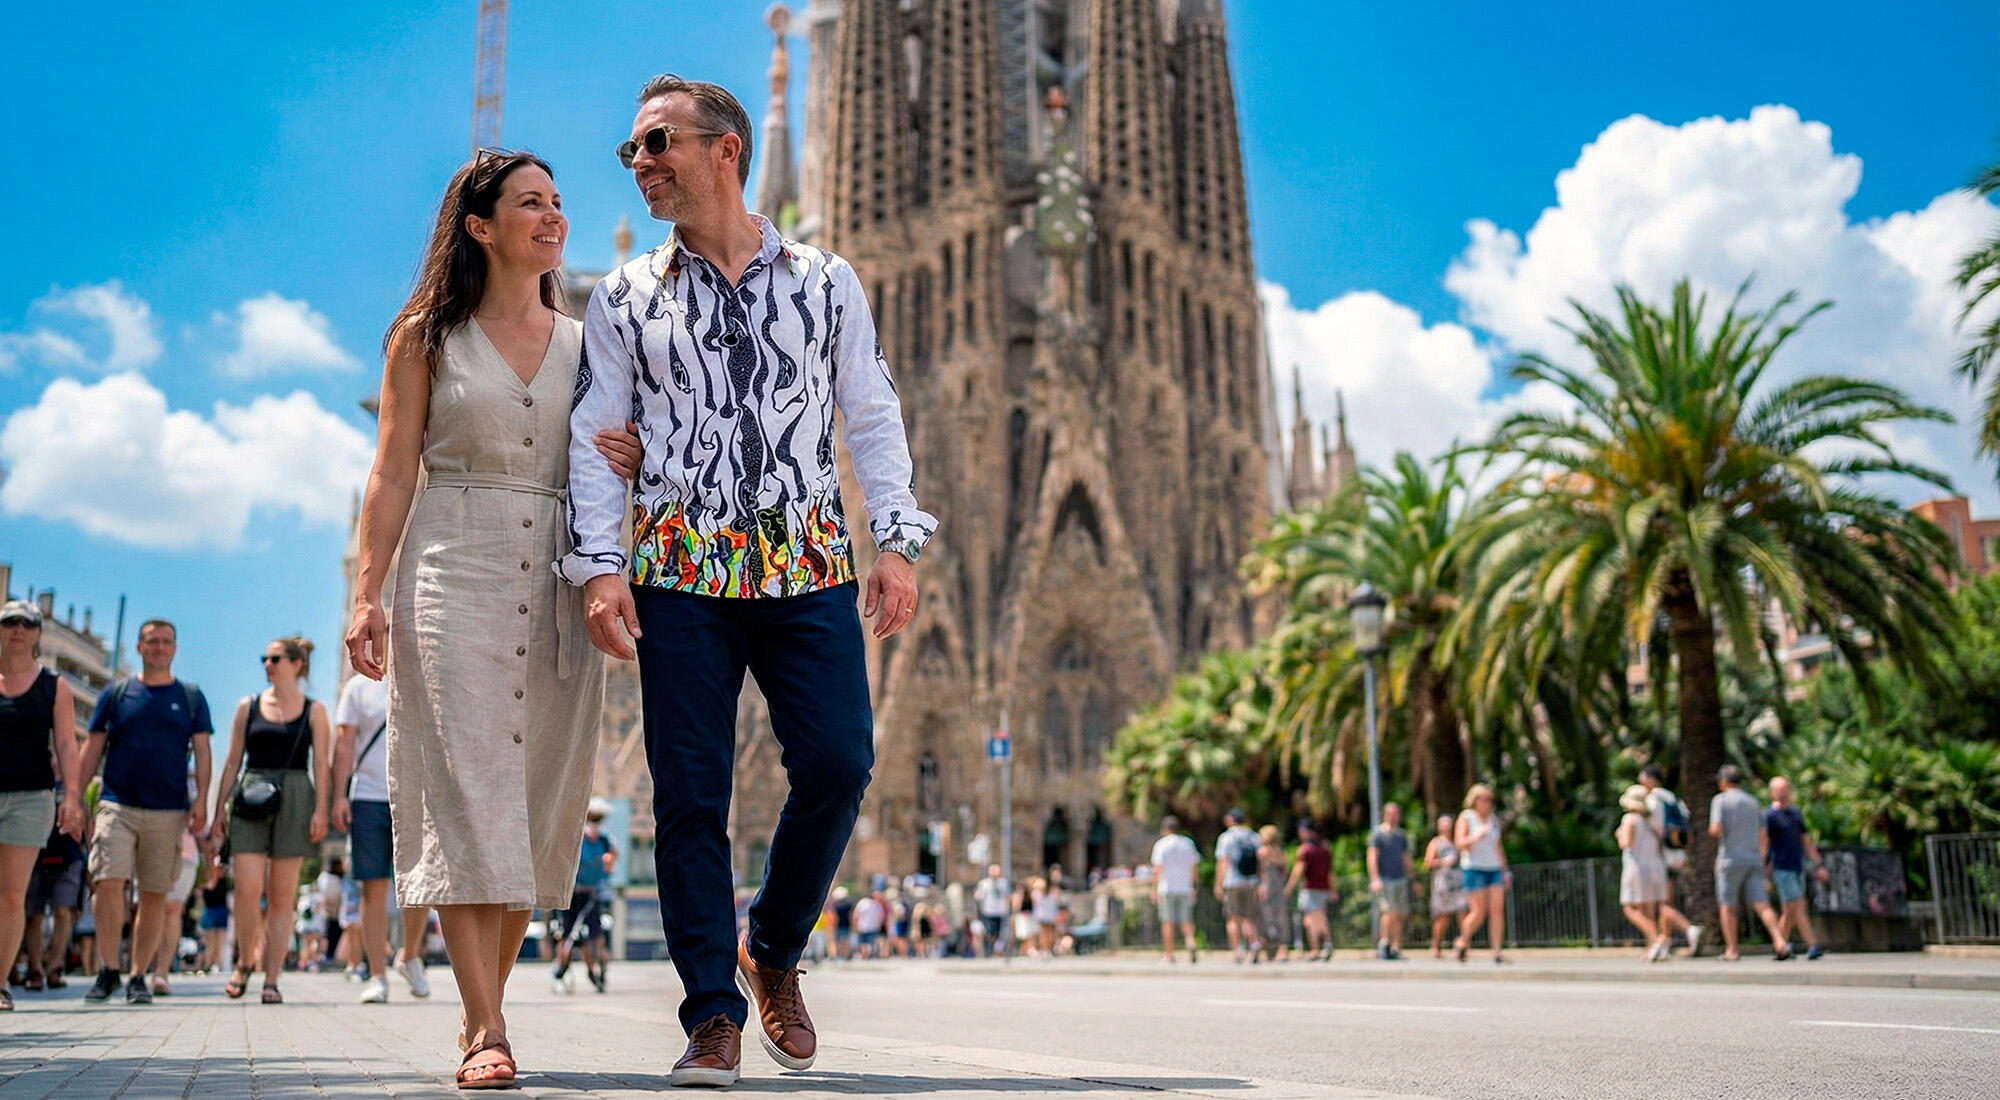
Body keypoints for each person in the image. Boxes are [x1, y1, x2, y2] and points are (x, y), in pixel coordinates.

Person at [562, 73, 936, 1089]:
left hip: (804, 561)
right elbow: (596, 439)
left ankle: (770, 945)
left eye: (656, 144)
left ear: (724, 150)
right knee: (690, 795)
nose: (638, 163)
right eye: (632, 151)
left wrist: (895, 542)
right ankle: (711, 1016)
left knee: (840, 763)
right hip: (681, 570)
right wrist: (600, 568)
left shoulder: (824, 281)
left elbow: (871, 413)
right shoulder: (625, 297)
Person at [345, 146, 646, 1088]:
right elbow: (393, 471)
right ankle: (486, 1026)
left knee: (533, 800)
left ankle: (488, 1005)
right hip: (453, 564)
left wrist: (636, 458)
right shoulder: (424, 337)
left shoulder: (590, 342)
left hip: (557, 571)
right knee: (466, 793)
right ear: (480, 227)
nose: (553, 216)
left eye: (557, 201)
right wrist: (366, 593)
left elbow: (619, 454)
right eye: (530, 203)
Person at [77, 618, 213, 1005]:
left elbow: (202, 751)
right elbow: (92, 747)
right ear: (139, 647)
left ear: (175, 648)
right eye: (152, 641)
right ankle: (108, 970)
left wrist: (202, 800)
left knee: (154, 893)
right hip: (116, 803)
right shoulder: (116, 693)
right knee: (107, 882)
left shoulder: (190, 697)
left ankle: (138, 976)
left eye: (166, 641)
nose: (159, 647)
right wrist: (74, 795)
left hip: (168, 810)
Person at [212, 635, 332, 1004]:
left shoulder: (315, 711)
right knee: (247, 889)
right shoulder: (247, 706)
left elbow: (321, 765)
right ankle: (244, 961)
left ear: (297, 664)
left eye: (275, 658)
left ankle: (272, 979)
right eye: (264, 658)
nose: (268, 664)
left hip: (296, 795)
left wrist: (321, 810)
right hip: (251, 793)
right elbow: (232, 761)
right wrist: (218, 810)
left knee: (282, 896)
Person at [0, 599, 86, 1011]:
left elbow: (67, 744)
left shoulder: (54, 686)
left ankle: (0, 983)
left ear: (37, 633)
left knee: (11, 895)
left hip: (31, 799)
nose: (18, 629)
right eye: (9, 622)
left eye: (27, 623)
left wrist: (73, 797)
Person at [329, 671, 432, 1005]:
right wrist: (339, 796)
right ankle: (376, 975)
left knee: (419, 884)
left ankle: (409, 956)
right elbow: (344, 744)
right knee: (372, 887)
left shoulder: (424, 675)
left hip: (417, 794)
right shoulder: (358, 688)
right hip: (368, 796)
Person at [1709, 765, 1790, 961]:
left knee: (1728, 906)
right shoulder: (1753, 802)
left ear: (1723, 782)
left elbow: (1716, 829)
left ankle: (1732, 950)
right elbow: (1763, 832)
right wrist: (1761, 856)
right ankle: (1780, 941)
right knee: (1762, 904)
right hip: (1753, 859)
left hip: (1730, 859)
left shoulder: (1720, 800)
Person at [1618, 784, 1697, 962]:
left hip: (1636, 866)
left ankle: (1656, 938)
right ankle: (1652, 947)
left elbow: (1626, 844)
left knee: (1630, 908)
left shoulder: (1630, 819)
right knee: (1650, 910)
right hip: (1656, 867)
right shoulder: (1653, 821)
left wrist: (1620, 834)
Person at [553, 806, 617, 993]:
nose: (594, 828)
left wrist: (604, 877)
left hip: (592, 894)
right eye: (591, 823)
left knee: (595, 935)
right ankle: (561, 969)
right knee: (567, 934)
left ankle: (597, 970)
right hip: (572, 894)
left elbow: (609, 864)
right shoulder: (577, 841)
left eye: (597, 824)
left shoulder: (605, 841)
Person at [1766, 777, 1828, 960]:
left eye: (1785, 789)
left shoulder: (1795, 813)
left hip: (1797, 866)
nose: (1783, 793)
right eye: (1779, 790)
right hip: (1782, 867)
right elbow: (1764, 843)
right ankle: (1813, 945)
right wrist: (1763, 870)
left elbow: (1805, 840)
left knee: (1790, 910)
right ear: (1772, 792)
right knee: (1799, 904)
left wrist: (1818, 863)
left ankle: (1780, 946)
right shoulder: (1769, 816)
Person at [1453, 784, 1509, 964]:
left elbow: (1498, 847)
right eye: (1485, 799)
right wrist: (1477, 835)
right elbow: (1459, 843)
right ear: (1475, 800)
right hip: (1474, 868)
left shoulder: (1493, 819)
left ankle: (1497, 952)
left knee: (1497, 910)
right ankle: (1463, 941)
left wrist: (1505, 871)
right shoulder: (1466, 817)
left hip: (1494, 868)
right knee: (1478, 912)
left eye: (1491, 800)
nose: (1488, 803)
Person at [1149, 815, 1200, 964]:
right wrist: (1194, 885)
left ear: (1164, 829)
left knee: (1167, 922)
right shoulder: (1188, 843)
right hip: (1185, 887)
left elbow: (1157, 869)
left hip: (1167, 887)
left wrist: (1154, 889)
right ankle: (1190, 942)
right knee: (1187, 920)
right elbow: (1193, 867)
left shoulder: (1161, 844)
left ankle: (1169, 954)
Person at [1213, 809, 1261, 964]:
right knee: (1248, 918)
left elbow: (1222, 862)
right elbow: (1260, 861)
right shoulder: (1254, 836)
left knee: (1233, 918)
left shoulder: (1226, 837)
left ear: (1230, 820)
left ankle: (1237, 952)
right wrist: (1260, 882)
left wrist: (1218, 884)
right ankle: (1254, 943)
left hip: (1232, 881)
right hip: (1251, 881)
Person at [1285, 820, 1334, 961]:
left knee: (1310, 920)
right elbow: (1330, 871)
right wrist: (1333, 889)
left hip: (1310, 888)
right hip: (1324, 888)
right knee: (1321, 917)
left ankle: (1315, 950)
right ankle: (1327, 943)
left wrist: (1289, 886)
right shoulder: (1325, 848)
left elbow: (1298, 870)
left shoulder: (1305, 849)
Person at [1367, 803, 1411, 960]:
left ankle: (1395, 947)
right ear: (1385, 815)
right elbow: (1372, 856)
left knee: (1399, 914)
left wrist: (1413, 879)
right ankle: (1384, 943)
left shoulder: (1401, 835)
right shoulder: (1377, 834)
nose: (1393, 817)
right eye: (1391, 814)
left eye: (1396, 814)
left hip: (1400, 878)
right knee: (1388, 911)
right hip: (1385, 879)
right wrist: (1375, 878)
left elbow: (1405, 857)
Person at [1422, 814, 1466, 959]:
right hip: (1442, 884)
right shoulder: (1436, 843)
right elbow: (1427, 863)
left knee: (1462, 914)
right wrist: (1443, 861)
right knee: (1443, 917)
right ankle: (1436, 946)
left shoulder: (1456, 842)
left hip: (1458, 882)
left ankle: (1464, 945)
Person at [1254, 825, 1291, 963]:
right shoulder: (1281, 852)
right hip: (1279, 887)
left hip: (1266, 886)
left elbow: (1260, 872)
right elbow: (1285, 872)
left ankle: (1268, 949)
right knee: (1281, 918)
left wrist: (1258, 887)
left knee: (1265, 917)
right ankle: (1283, 950)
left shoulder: (1262, 852)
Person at [196, 854, 229, 974]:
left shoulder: (224, 878)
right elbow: (209, 886)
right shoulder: (207, 877)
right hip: (209, 910)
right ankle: (208, 963)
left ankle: (218, 963)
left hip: (221, 909)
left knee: (220, 940)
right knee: (209, 940)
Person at [974, 865, 1010, 958]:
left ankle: (997, 951)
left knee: (1000, 932)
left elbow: (1008, 896)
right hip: (988, 911)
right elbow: (979, 895)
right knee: (989, 932)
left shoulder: (1004, 883)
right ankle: (989, 950)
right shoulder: (984, 883)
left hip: (1000, 911)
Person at [1034, 867, 1066, 958]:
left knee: (1046, 932)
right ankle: (1046, 949)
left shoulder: (1043, 891)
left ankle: (1046, 949)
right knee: (1048, 932)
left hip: (1045, 913)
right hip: (1048, 914)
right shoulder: (1049, 891)